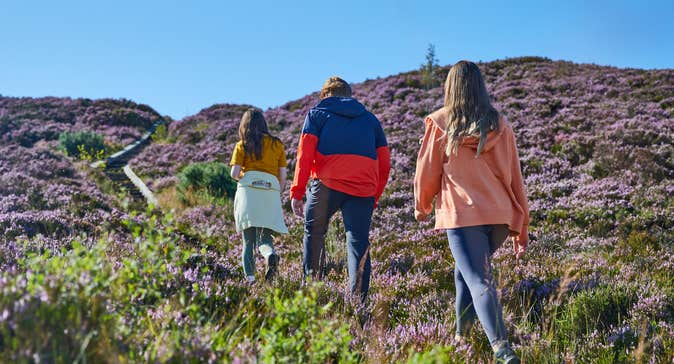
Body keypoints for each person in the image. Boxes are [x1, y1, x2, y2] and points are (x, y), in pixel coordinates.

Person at [413, 61, 529, 364]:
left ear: (451, 87)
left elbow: (427, 173)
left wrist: (422, 206)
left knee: (478, 279)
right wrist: (522, 223)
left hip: (464, 216)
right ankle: (461, 337)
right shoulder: (500, 124)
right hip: (501, 216)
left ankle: (501, 349)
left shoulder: (440, 123)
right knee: (464, 272)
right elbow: (515, 177)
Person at [290, 76, 391, 301]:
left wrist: (297, 192)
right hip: (363, 188)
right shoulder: (371, 120)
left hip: (327, 184)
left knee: (314, 233)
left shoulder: (316, 115)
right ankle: (359, 302)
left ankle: (311, 291)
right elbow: (385, 163)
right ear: (349, 95)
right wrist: (375, 194)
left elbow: (304, 156)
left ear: (325, 94)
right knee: (358, 242)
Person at [230, 108, 288, 283]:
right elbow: (283, 175)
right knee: (264, 238)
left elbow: (234, 173)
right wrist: (277, 192)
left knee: (248, 241)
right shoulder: (277, 144)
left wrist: (246, 178)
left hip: (248, 191)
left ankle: (250, 280)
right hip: (270, 190)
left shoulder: (242, 145)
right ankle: (270, 255)